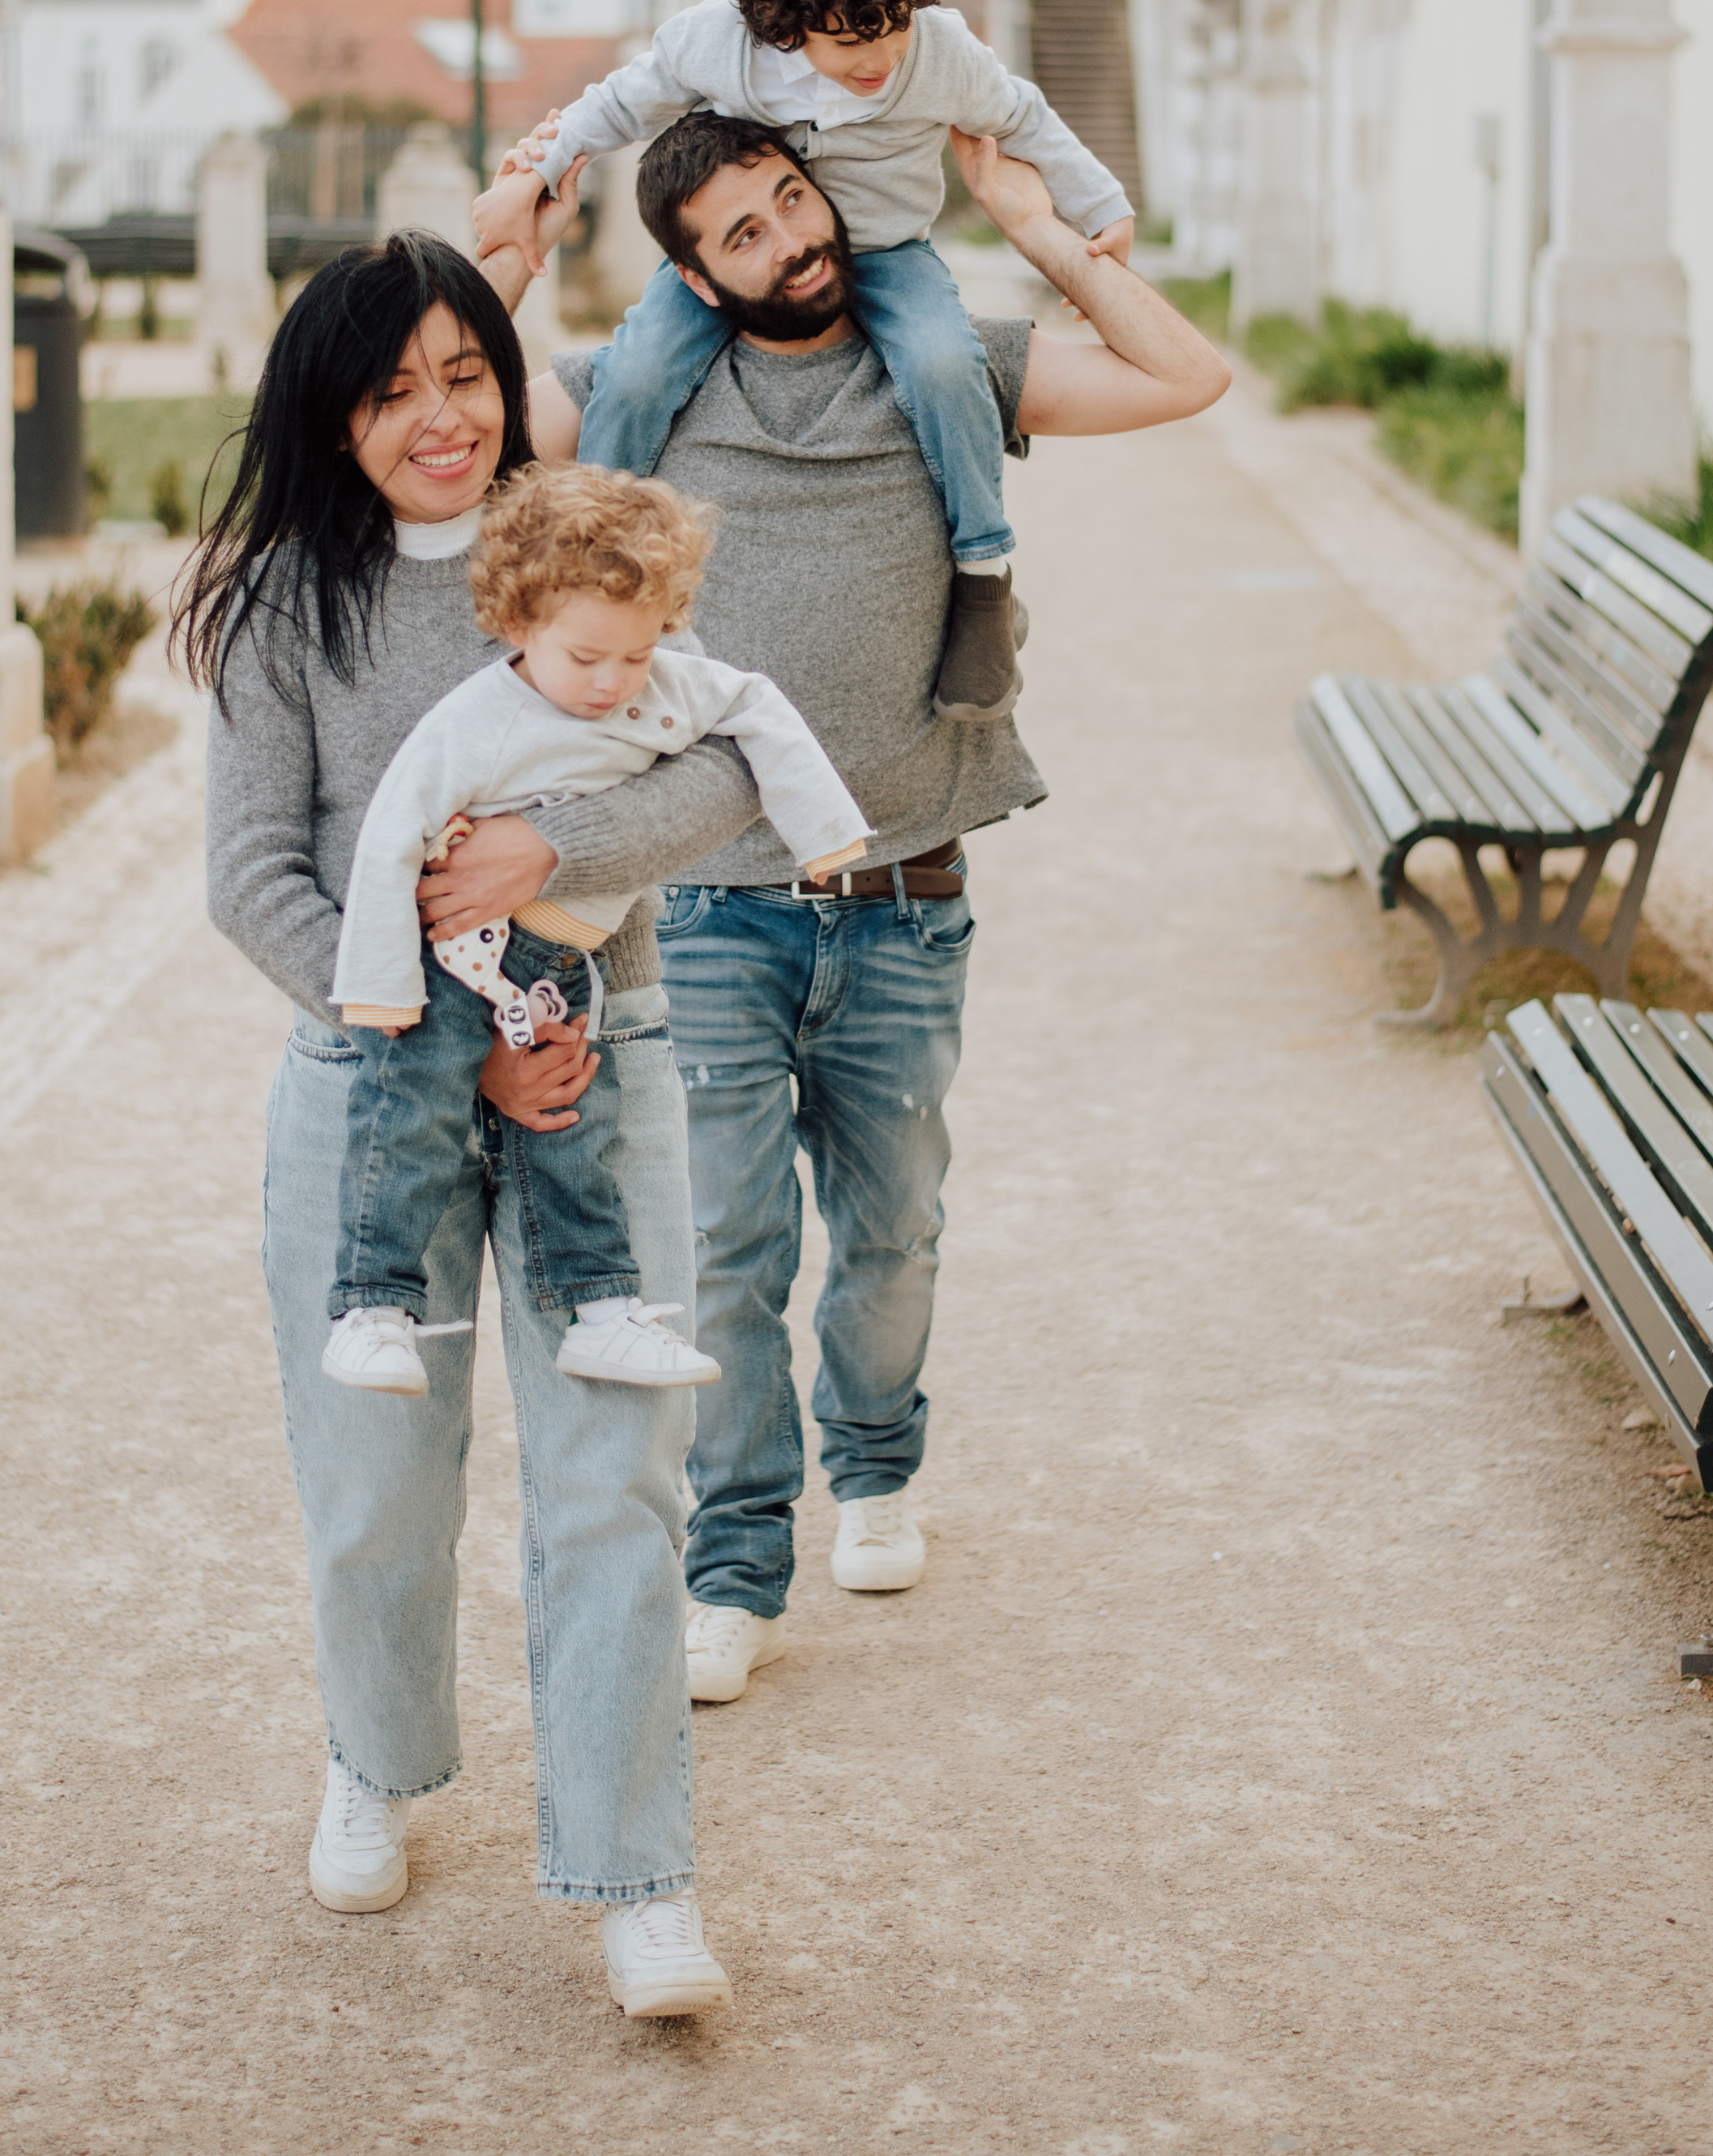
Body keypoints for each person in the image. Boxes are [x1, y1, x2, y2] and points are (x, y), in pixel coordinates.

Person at [481, 113, 1229, 1705]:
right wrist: (515, 252)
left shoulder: (938, 367)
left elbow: (1184, 377)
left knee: (889, 1231)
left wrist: (1033, 226)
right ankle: (736, 1556)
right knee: (735, 1249)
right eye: (738, 235)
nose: (786, 244)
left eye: (790, 205)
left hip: (904, 892)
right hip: (706, 913)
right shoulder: (643, 394)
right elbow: (470, 431)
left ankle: (876, 1466)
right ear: (688, 274)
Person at [182, 227, 768, 2015]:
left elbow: (733, 763)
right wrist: (450, 1028)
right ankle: (371, 1757)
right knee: (371, 1483)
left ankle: (636, 1879)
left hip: (608, 1057)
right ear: (330, 412)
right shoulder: (284, 601)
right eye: (392, 387)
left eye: (466, 373)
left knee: (617, 1482)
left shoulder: (584, 536)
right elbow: (249, 880)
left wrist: (556, 861)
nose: (441, 416)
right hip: (375, 1086)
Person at [471, 0, 1135, 724]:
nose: (881, 59)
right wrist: (533, 174)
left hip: (889, 255)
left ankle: (982, 573)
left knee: (945, 367)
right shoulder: (716, 43)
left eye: (894, 24)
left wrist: (1101, 209)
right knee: (634, 376)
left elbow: (1026, 119)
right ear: (785, 24)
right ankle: (595, 560)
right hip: (748, 263)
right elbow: (615, 104)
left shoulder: (940, 53)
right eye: (848, 40)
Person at [323, 461, 869, 1396]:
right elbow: (387, 840)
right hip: (454, 955)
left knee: (578, 1124)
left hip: (559, 963)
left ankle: (602, 1309)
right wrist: (382, 986)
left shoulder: (664, 684)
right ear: (518, 619)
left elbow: (754, 707)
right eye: (586, 659)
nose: (614, 683)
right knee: (408, 1113)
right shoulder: (476, 721)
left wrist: (824, 833)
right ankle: (372, 1310)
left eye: (639, 653)